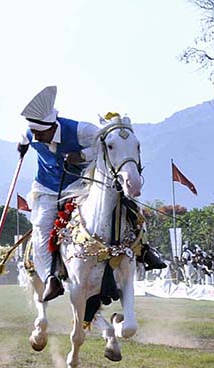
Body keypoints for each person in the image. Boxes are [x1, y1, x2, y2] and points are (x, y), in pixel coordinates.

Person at [19, 87, 164, 302]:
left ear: (53, 126)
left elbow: (107, 147)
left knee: (126, 204)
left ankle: (145, 250)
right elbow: (23, 138)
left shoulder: (83, 130)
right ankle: (50, 279)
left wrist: (82, 155)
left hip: (82, 185)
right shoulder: (32, 132)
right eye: (34, 134)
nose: (37, 138)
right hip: (47, 190)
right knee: (40, 228)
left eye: (41, 134)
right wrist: (21, 147)